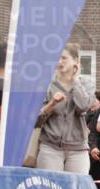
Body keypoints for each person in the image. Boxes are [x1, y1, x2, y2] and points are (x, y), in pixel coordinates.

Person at [35, 42, 94, 173]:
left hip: (77, 149)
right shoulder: (47, 85)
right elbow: (36, 121)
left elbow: (83, 107)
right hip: (50, 147)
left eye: (63, 58)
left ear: (76, 61)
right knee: (50, 188)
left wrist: (74, 82)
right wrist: (52, 104)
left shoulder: (86, 83)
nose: (59, 62)